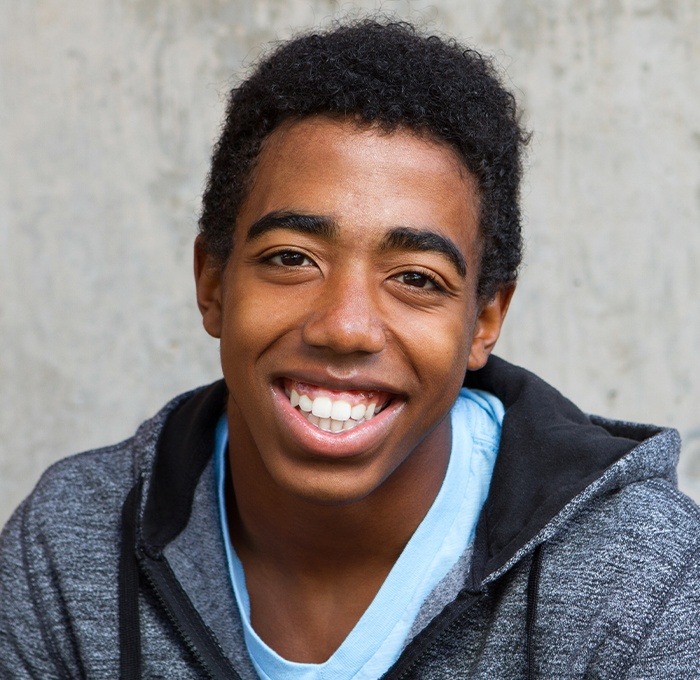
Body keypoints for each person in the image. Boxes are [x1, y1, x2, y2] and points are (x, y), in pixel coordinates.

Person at [1, 19, 698, 680]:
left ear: (484, 319)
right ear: (212, 282)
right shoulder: (73, 546)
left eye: (417, 278)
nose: (346, 326)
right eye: (292, 258)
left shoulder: (636, 578)